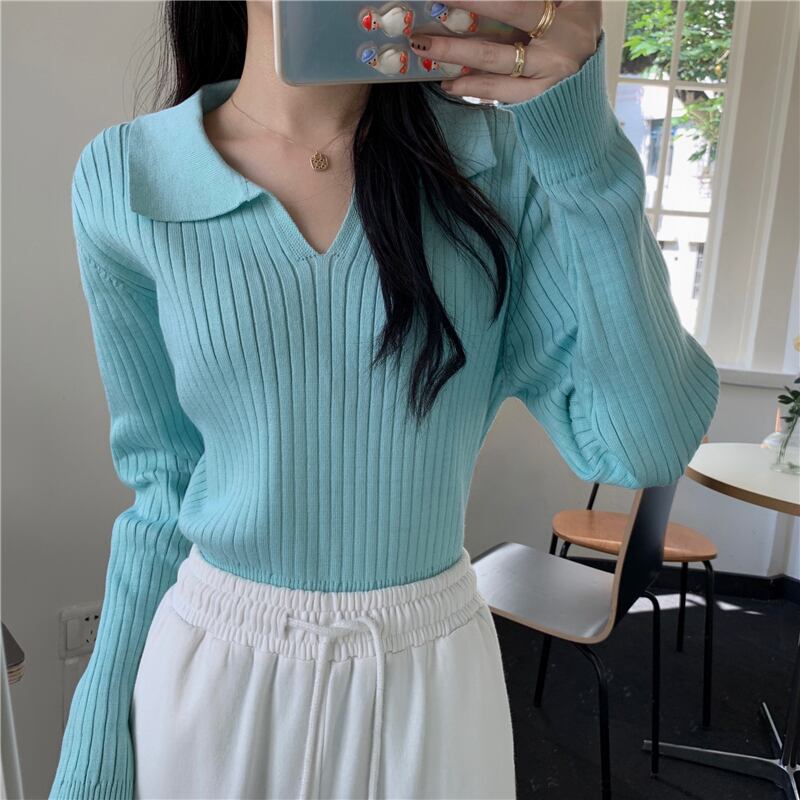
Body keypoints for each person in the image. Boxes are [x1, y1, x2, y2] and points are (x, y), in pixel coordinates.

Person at [49, 1, 721, 798]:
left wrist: (579, 143)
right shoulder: (130, 176)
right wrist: (95, 740)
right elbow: (161, 489)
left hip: (428, 689)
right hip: (211, 680)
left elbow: (645, 443)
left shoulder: (501, 166)